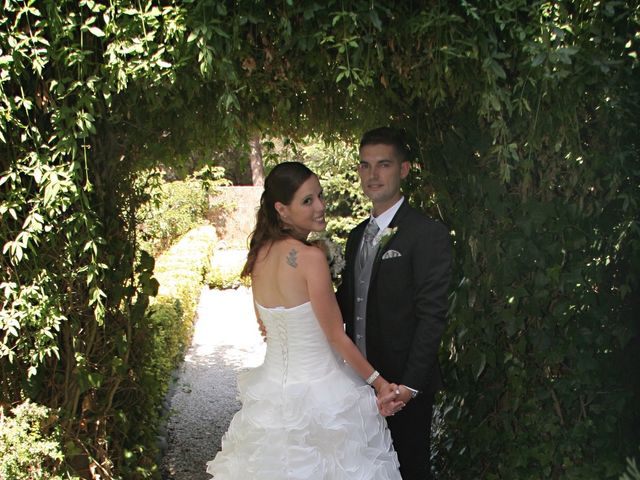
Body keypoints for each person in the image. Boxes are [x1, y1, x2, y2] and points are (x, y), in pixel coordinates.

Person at [206, 161, 403, 479]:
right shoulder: (310, 259)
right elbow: (335, 338)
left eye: (320, 196)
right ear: (282, 210)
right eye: (308, 200)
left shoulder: (259, 254)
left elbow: (265, 327)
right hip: (321, 392)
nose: (321, 207)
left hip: (271, 394)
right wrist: (380, 384)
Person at [336, 127, 452, 480]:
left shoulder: (426, 233)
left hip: (403, 387)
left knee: (409, 470)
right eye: (365, 165)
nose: (373, 175)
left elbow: (432, 316)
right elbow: (344, 307)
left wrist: (409, 386)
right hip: (359, 383)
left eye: (383, 165)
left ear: (403, 170)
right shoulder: (356, 236)